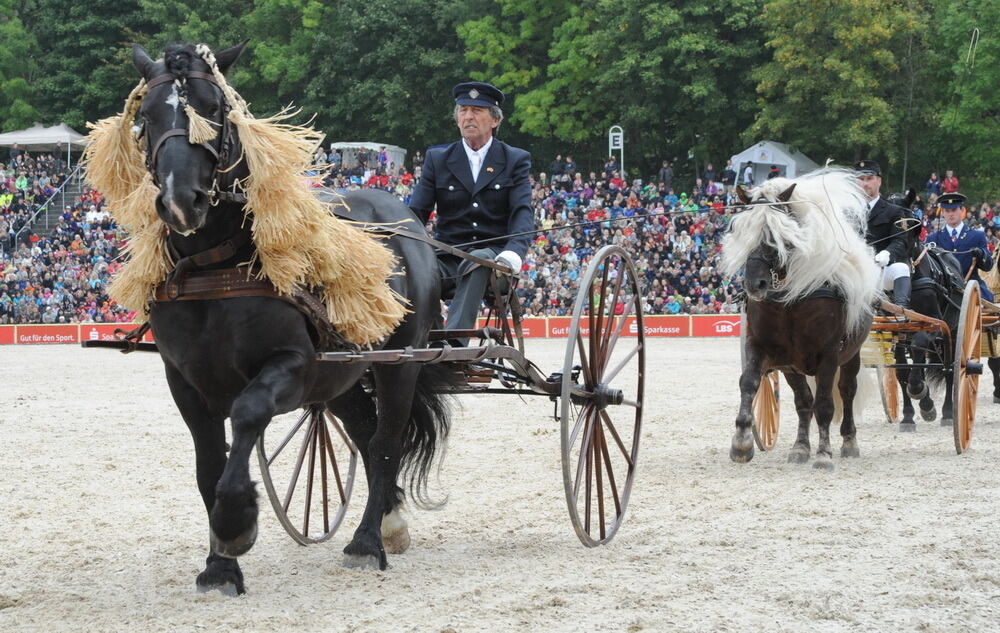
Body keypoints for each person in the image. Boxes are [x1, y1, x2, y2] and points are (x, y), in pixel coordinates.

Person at [409, 81, 533, 342]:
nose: (468, 117)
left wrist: (514, 253)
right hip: (447, 256)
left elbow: (522, 213)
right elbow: (416, 212)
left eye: (477, 110)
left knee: (476, 261)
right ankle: (429, 339)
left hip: (493, 259)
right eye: (463, 110)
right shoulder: (438, 158)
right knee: (415, 269)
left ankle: (454, 344)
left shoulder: (515, 159)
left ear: (495, 120)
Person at [857, 159, 913, 308]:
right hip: (853, 274)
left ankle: (900, 309)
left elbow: (901, 241)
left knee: (901, 268)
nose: (865, 184)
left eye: (869, 178)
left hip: (880, 272)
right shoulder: (848, 213)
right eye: (861, 179)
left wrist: (887, 253)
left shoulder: (894, 211)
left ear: (879, 181)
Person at [925, 192, 994, 301]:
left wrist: (982, 254)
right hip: (942, 291)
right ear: (942, 213)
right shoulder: (932, 239)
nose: (950, 214)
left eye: (954, 210)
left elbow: (988, 266)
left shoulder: (977, 235)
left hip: (971, 288)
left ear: (962, 211)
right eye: (947, 211)